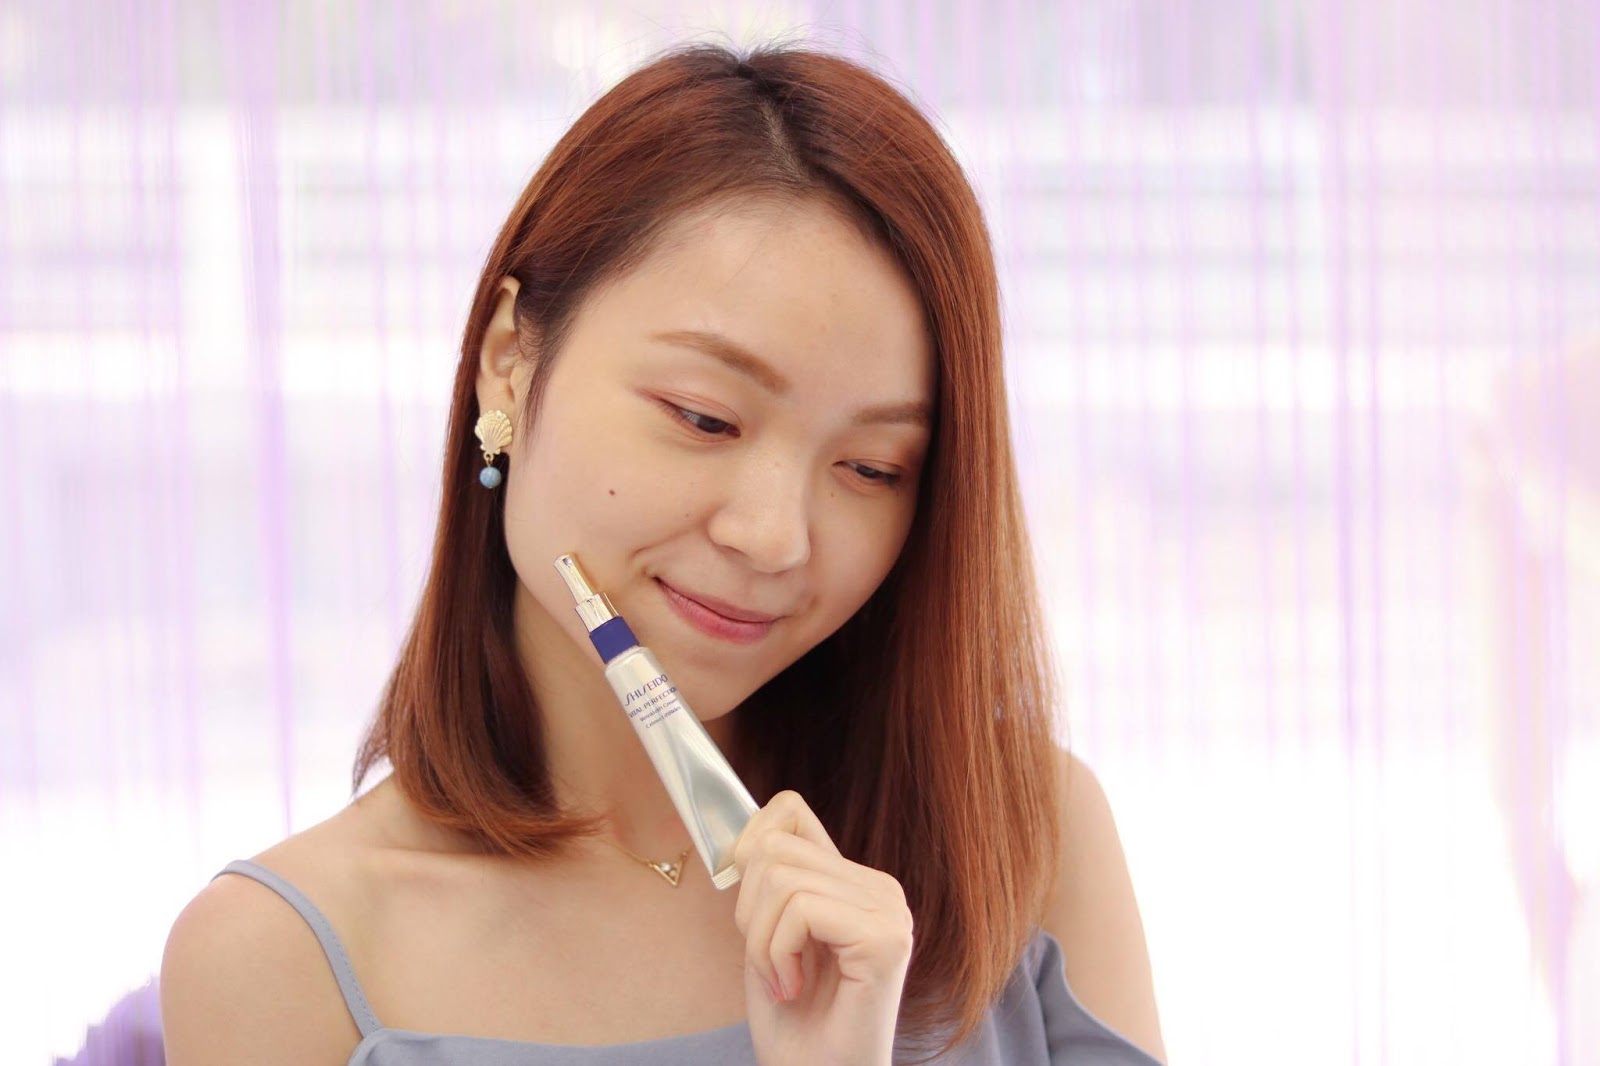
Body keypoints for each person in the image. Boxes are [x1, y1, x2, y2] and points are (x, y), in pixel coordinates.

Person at [159, 42, 1166, 1066]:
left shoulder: (1025, 842)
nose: (773, 537)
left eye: (871, 468)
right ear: (509, 358)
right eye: (703, 416)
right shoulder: (278, 962)